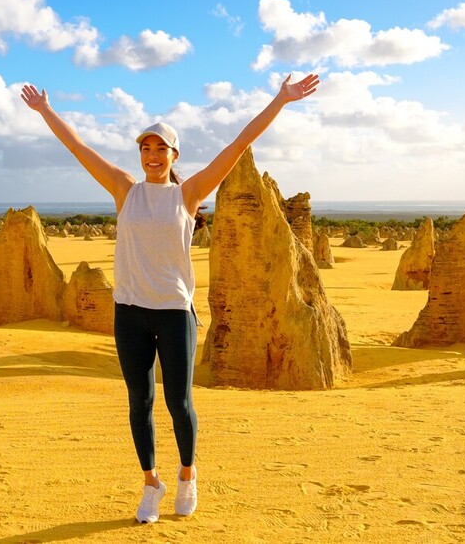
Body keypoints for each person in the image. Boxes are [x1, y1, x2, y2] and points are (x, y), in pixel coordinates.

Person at [20, 73, 320, 523]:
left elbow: (237, 145)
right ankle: (150, 483)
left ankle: (186, 474)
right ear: (139, 154)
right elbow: (79, 149)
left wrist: (280, 100)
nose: (153, 155)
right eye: (146, 147)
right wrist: (46, 112)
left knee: (179, 403)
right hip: (130, 312)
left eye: (161, 148)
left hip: (175, 312)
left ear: (174, 155)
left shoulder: (189, 194)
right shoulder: (125, 190)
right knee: (138, 401)